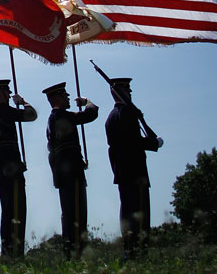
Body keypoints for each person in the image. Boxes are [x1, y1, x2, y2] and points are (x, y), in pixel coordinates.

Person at [103, 77, 163, 261]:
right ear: (121, 92)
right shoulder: (127, 113)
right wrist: (153, 143)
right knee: (139, 214)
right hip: (135, 171)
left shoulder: (111, 117)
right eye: (127, 90)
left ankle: (129, 251)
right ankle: (138, 253)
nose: (130, 93)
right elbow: (133, 141)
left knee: (128, 212)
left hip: (122, 172)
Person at [43, 81, 98, 259]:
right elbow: (91, 114)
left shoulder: (53, 119)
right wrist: (87, 101)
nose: (68, 98)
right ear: (57, 97)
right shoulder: (61, 116)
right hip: (71, 173)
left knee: (71, 214)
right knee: (76, 215)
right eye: (65, 95)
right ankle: (75, 253)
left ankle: (72, 252)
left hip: (67, 172)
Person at [0, 79, 37, 258]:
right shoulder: (1, 109)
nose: (9, 94)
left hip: (2, 169)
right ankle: (14, 254)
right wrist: (22, 102)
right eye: (7, 91)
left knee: (9, 212)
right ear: (0, 93)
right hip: (10, 169)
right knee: (16, 211)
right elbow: (31, 115)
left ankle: (9, 253)